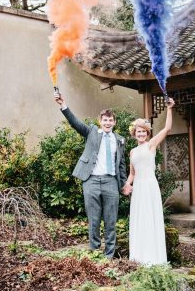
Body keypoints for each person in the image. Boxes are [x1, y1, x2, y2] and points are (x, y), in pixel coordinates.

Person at [55, 91, 127, 259]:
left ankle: (109, 255)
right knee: (93, 219)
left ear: (114, 122)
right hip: (92, 180)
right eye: (105, 120)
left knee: (111, 220)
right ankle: (94, 253)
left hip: (111, 182)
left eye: (110, 120)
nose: (108, 122)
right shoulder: (91, 132)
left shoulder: (120, 140)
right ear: (99, 121)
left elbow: (121, 164)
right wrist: (63, 105)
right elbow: (75, 123)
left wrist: (123, 184)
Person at [123, 98, 175, 265]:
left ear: (147, 133)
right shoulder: (132, 152)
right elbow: (132, 173)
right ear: (134, 133)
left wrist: (169, 109)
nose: (141, 134)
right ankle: (140, 258)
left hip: (150, 186)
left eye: (143, 131)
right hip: (138, 189)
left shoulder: (151, 145)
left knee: (151, 219)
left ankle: (154, 259)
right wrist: (127, 184)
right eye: (138, 132)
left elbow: (167, 128)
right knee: (140, 221)